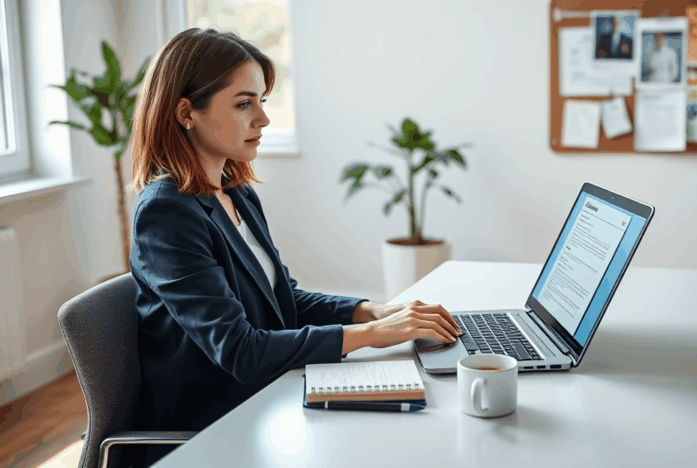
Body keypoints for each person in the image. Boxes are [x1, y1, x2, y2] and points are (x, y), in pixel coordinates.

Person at [126, 28, 462, 467]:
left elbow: (284, 300)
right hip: (216, 426)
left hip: (269, 397)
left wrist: (373, 312)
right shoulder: (166, 214)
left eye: (262, 102)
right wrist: (371, 337)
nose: (262, 119)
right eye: (244, 103)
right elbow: (240, 351)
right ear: (186, 112)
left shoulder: (236, 192)